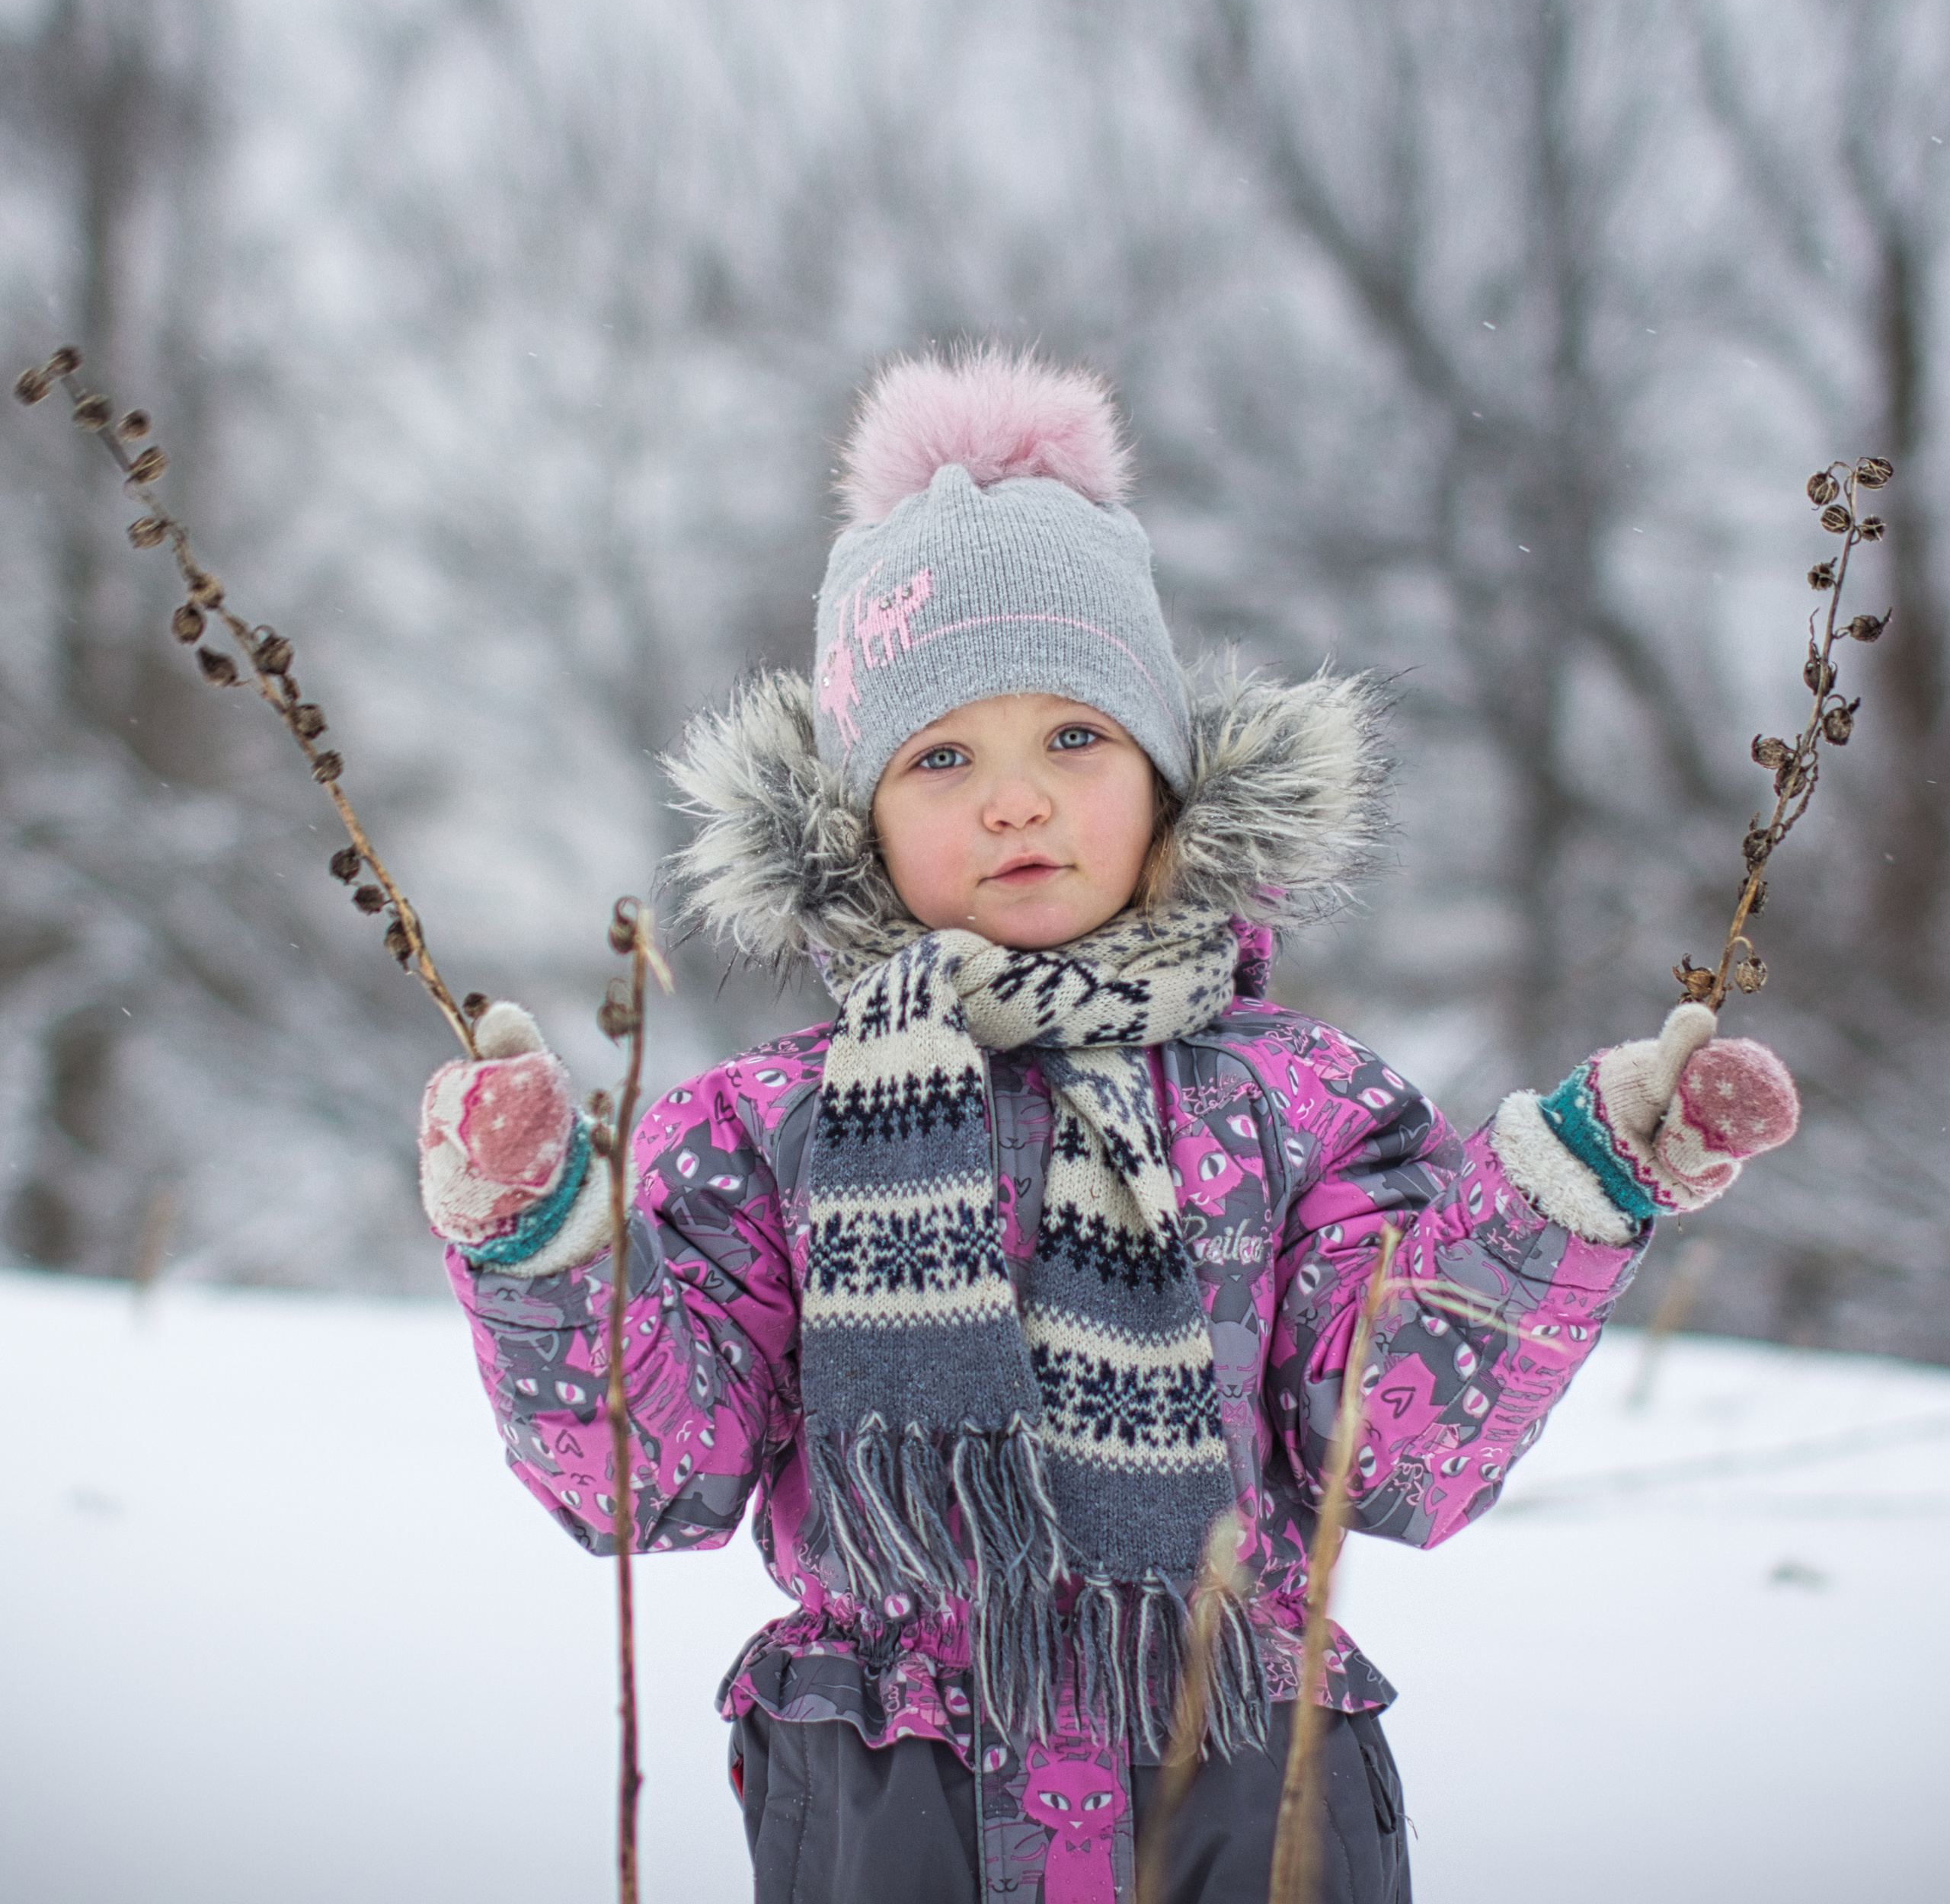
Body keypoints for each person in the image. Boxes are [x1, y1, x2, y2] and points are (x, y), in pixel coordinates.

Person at [418, 348, 1799, 1903]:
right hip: (890, 1797)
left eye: (1071, 737)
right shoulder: (766, 1126)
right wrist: (541, 1233)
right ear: (856, 817)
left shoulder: (1301, 1103)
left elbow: (1399, 1447)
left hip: (1243, 1777)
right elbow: (647, 1476)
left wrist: (1570, 1187)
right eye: (942, 756)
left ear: (1161, 777)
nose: (1015, 801)